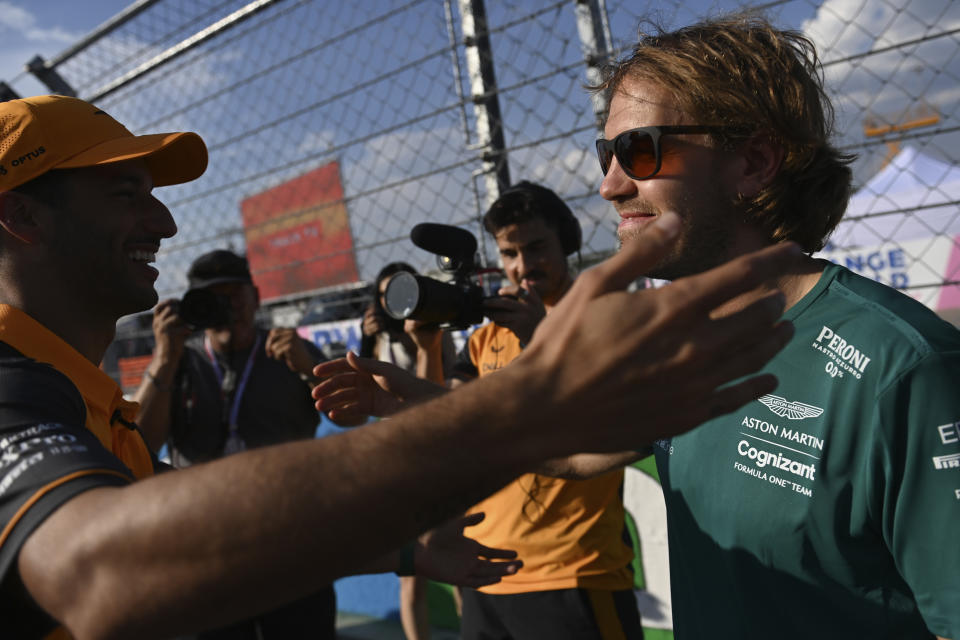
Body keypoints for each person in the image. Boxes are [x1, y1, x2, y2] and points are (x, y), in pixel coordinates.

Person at [0, 94, 799, 640]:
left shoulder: (70, 387)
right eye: (124, 192)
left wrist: (399, 551)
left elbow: (145, 515)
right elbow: (93, 566)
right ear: (21, 214)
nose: (164, 218)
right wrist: (523, 409)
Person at [591, 14, 959, 639]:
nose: (610, 185)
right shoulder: (681, 346)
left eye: (640, 150)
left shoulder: (904, 369)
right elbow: (568, 446)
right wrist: (415, 406)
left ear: (755, 161)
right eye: (608, 153)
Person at [416, 180, 644, 639]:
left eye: (536, 247)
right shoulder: (484, 336)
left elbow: (611, 423)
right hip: (487, 573)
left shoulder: (607, 315)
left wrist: (542, 341)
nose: (523, 267)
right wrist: (426, 347)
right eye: (509, 253)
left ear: (569, 241)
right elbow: (440, 429)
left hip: (575, 572)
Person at [132, 248, 337, 638]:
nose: (227, 307)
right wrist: (164, 359)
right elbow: (141, 443)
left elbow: (352, 417)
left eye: (235, 295)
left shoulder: (288, 351)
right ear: (194, 306)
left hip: (290, 542)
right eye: (214, 297)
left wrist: (310, 371)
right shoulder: (180, 361)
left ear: (256, 298)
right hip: (206, 548)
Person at [360, 260, 456, 640]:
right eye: (384, 296)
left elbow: (437, 392)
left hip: (439, 456)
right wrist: (367, 341)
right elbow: (364, 394)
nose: (392, 302)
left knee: (457, 563)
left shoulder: (432, 331)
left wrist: (422, 340)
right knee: (411, 573)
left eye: (399, 292)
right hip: (396, 463)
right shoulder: (378, 338)